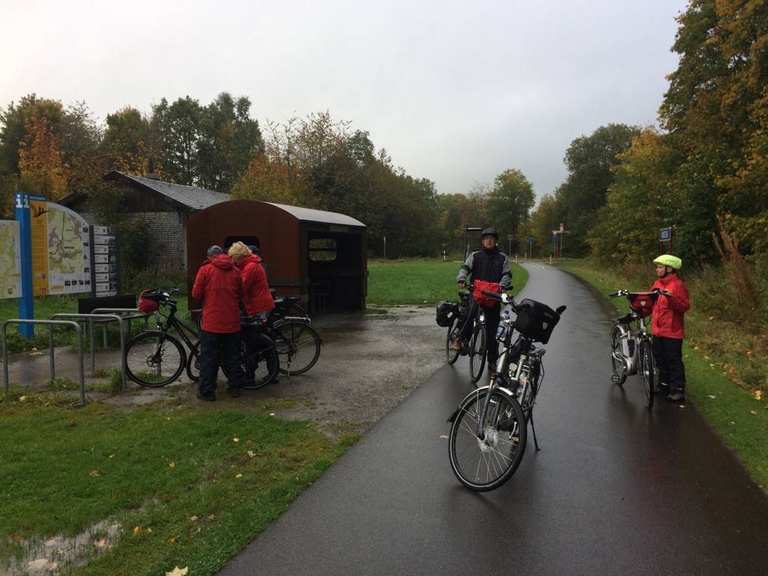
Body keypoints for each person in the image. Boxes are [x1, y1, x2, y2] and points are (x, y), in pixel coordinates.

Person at [453, 227, 512, 377]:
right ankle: (460, 339)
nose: (489, 240)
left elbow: (506, 274)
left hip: (493, 296)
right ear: (482, 241)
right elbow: (465, 268)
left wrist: (503, 285)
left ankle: (492, 364)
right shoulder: (475, 256)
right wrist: (461, 278)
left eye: (492, 238)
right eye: (486, 238)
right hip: (477, 294)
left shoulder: (502, 258)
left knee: (492, 333)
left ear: (495, 241)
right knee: (470, 313)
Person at [191, 245, 245, 400]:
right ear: (223, 255)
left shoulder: (205, 270)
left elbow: (196, 294)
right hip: (232, 322)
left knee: (209, 358)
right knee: (232, 357)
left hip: (212, 323)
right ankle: (235, 388)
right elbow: (241, 293)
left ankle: (207, 392)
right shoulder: (235, 271)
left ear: (210, 257)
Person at [228, 241, 275, 385]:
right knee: (260, 340)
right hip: (259, 306)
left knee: (252, 341)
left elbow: (242, 288)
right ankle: (272, 373)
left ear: (240, 256)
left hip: (258, 308)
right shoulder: (251, 264)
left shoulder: (250, 267)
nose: (233, 262)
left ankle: (250, 377)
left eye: (234, 258)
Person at [650, 254, 690, 403]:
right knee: (660, 359)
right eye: (657, 267)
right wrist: (637, 306)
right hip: (657, 330)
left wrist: (671, 298)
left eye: (660, 267)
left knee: (673, 360)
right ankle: (664, 385)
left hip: (672, 331)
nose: (657, 269)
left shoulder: (678, 285)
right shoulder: (657, 284)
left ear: (669, 269)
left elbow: (684, 306)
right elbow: (650, 302)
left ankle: (678, 389)